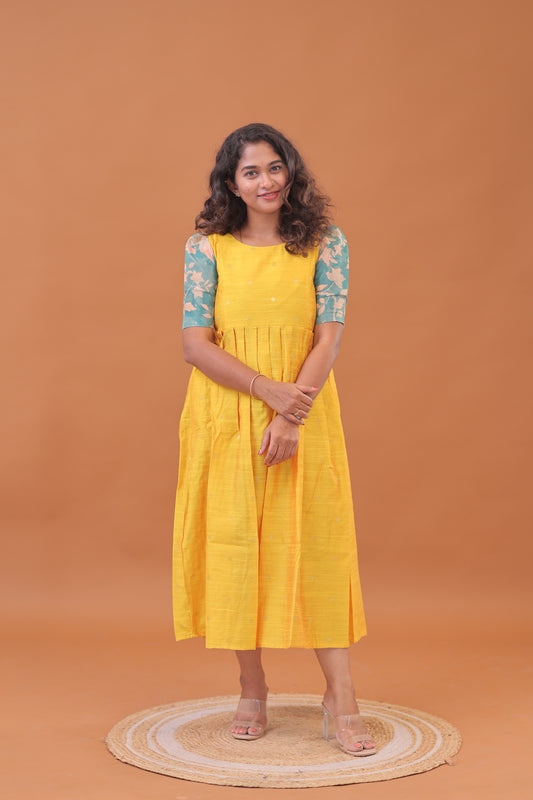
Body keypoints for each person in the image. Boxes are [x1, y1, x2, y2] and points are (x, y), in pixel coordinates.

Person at [172, 123, 377, 756]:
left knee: (319, 544)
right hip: (227, 413)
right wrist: (267, 392)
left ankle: (341, 695)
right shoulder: (207, 248)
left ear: (291, 171)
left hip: (305, 412)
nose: (266, 181)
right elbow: (195, 344)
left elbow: (328, 337)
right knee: (237, 546)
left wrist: (291, 415)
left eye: (275, 167)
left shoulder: (325, 242)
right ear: (231, 184)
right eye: (251, 172)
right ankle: (252, 686)